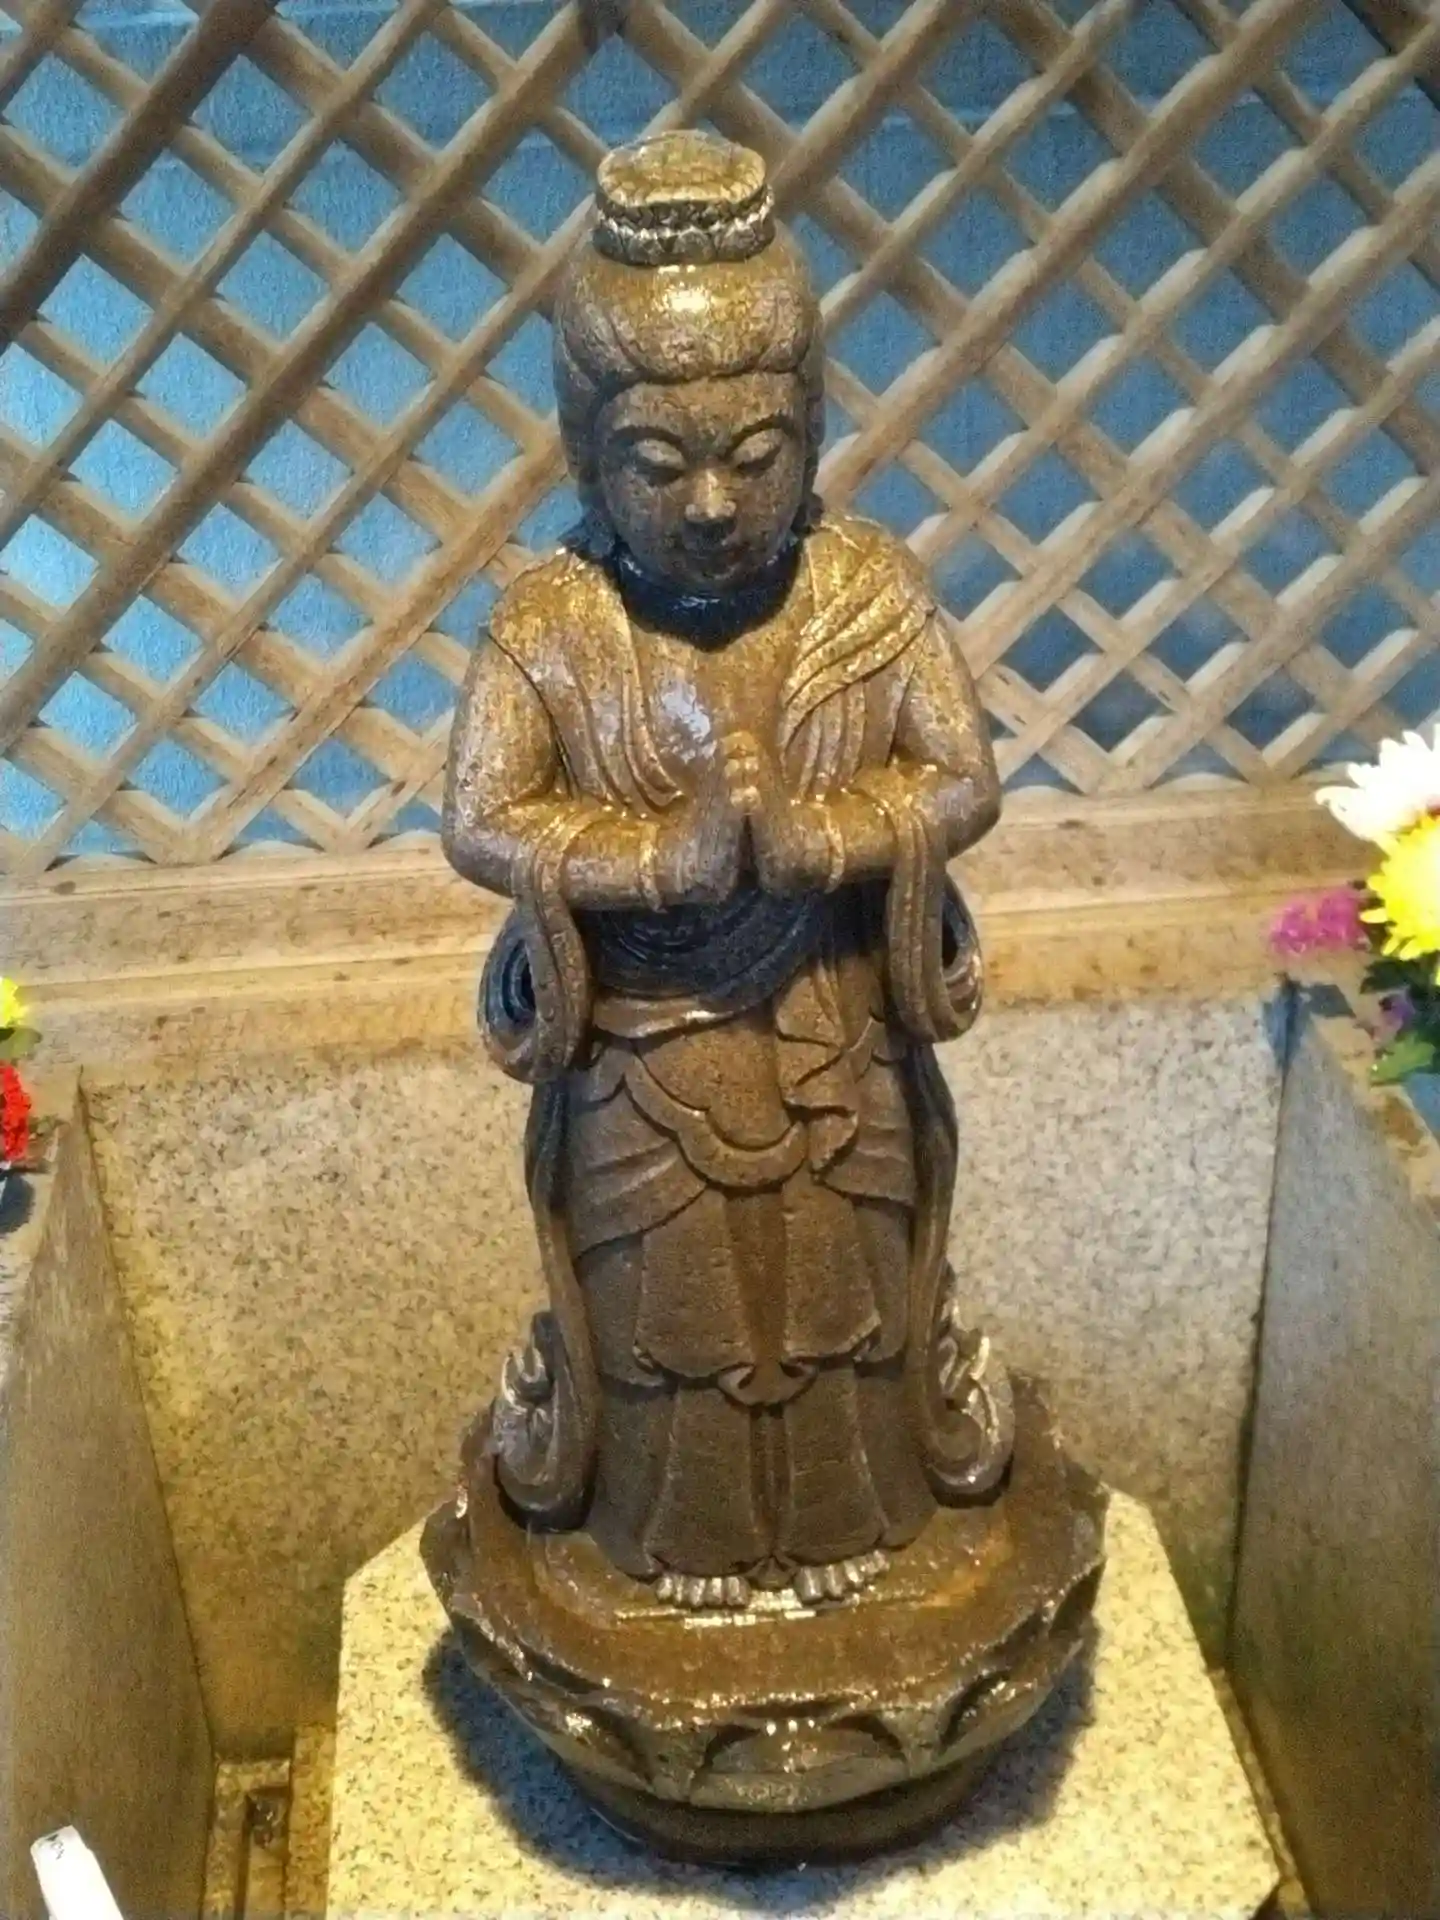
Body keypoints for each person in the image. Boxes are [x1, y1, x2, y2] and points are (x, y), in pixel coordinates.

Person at [443, 129, 1009, 1611]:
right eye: (659, 462)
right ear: (588, 457)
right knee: (665, 1302)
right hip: (642, 1048)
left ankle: (855, 1521)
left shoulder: (866, 591)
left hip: (834, 1020)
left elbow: (964, 778)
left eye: (754, 458)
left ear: (811, 433)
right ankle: (674, 1543)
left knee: (842, 1284)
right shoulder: (554, 623)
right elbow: (482, 818)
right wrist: (657, 858)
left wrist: (825, 837)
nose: (710, 503)